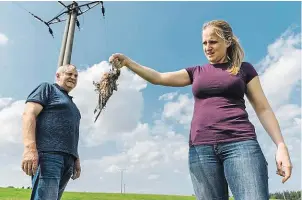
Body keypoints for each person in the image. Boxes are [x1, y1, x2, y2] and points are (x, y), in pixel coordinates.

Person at [108, 20, 292, 200]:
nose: (207, 47)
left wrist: (280, 146)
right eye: (204, 42)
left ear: (227, 42)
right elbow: (159, 77)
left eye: (213, 41)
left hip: (241, 145)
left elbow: (263, 108)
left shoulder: (244, 69)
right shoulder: (196, 72)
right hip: (201, 149)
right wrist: (128, 63)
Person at [21, 64, 82, 200]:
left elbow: (73, 133)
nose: (73, 77)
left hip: (68, 159)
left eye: (76, 75)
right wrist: (29, 148)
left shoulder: (73, 106)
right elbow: (28, 113)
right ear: (58, 76)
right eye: (69, 74)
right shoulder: (47, 88)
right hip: (49, 155)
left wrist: (76, 158)